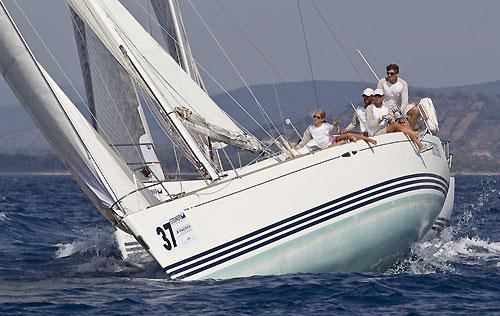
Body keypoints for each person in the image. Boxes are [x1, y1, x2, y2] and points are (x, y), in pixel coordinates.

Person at [366, 89, 432, 153]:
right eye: (375, 96)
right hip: (375, 133)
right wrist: (380, 118)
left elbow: (391, 122)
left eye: (379, 96)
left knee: (405, 124)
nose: (377, 98)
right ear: (373, 97)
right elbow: (370, 125)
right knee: (396, 125)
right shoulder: (370, 108)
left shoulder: (386, 107)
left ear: (383, 97)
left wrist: (393, 117)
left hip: (386, 130)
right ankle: (416, 135)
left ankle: (419, 145)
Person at [293, 109, 376, 150]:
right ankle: (350, 140)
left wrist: (335, 125)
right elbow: (304, 140)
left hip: (334, 139)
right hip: (327, 147)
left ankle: (368, 139)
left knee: (347, 135)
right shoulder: (310, 128)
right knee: (342, 142)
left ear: (322, 119)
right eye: (314, 117)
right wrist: (297, 148)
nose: (315, 118)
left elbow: (334, 132)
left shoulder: (326, 126)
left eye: (317, 117)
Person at [377, 64, 420, 129]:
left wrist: (400, 112)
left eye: (391, 74)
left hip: (397, 108)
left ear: (397, 74)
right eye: (388, 73)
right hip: (385, 106)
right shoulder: (382, 82)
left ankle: (410, 131)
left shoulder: (403, 83)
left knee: (415, 110)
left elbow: (404, 100)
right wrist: (389, 112)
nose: (389, 75)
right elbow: (378, 99)